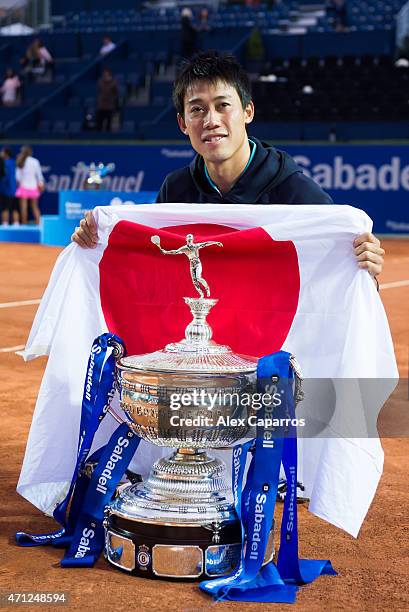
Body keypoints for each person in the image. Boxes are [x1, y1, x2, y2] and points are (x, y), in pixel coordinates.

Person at [72, 52, 384, 280]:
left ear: (248, 111)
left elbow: (336, 269)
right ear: (182, 123)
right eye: (197, 109)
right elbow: (155, 266)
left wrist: (363, 265)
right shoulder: (176, 189)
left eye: (223, 105)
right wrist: (98, 242)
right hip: (202, 352)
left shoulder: (294, 190)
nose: (210, 121)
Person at [15, 145, 44, 225]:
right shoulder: (35, 161)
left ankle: (24, 225)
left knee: (23, 208)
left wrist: (20, 183)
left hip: (23, 187)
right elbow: (39, 175)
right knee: (35, 207)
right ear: (30, 153)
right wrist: (40, 183)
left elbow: (17, 177)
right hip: (33, 188)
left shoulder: (20, 161)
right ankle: (39, 225)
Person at [96, 67, 119, 132]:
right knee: (99, 123)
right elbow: (98, 92)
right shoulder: (100, 82)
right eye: (104, 74)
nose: (105, 75)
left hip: (110, 106)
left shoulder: (114, 83)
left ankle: (108, 136)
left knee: (108, 124)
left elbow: (116, 93)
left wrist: (112, 100)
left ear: (110, 74)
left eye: (107, 74)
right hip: (101, 106)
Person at [0, 147, 19, 225]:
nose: (0, 153)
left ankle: (5, 224)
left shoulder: (4, 163)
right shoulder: (15, 162)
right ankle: (16, 224)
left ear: (5, 153)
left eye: (1, 152)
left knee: (5, 208)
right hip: (15, 190)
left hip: (6, 190)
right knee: (15, 208)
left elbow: (5, 177)